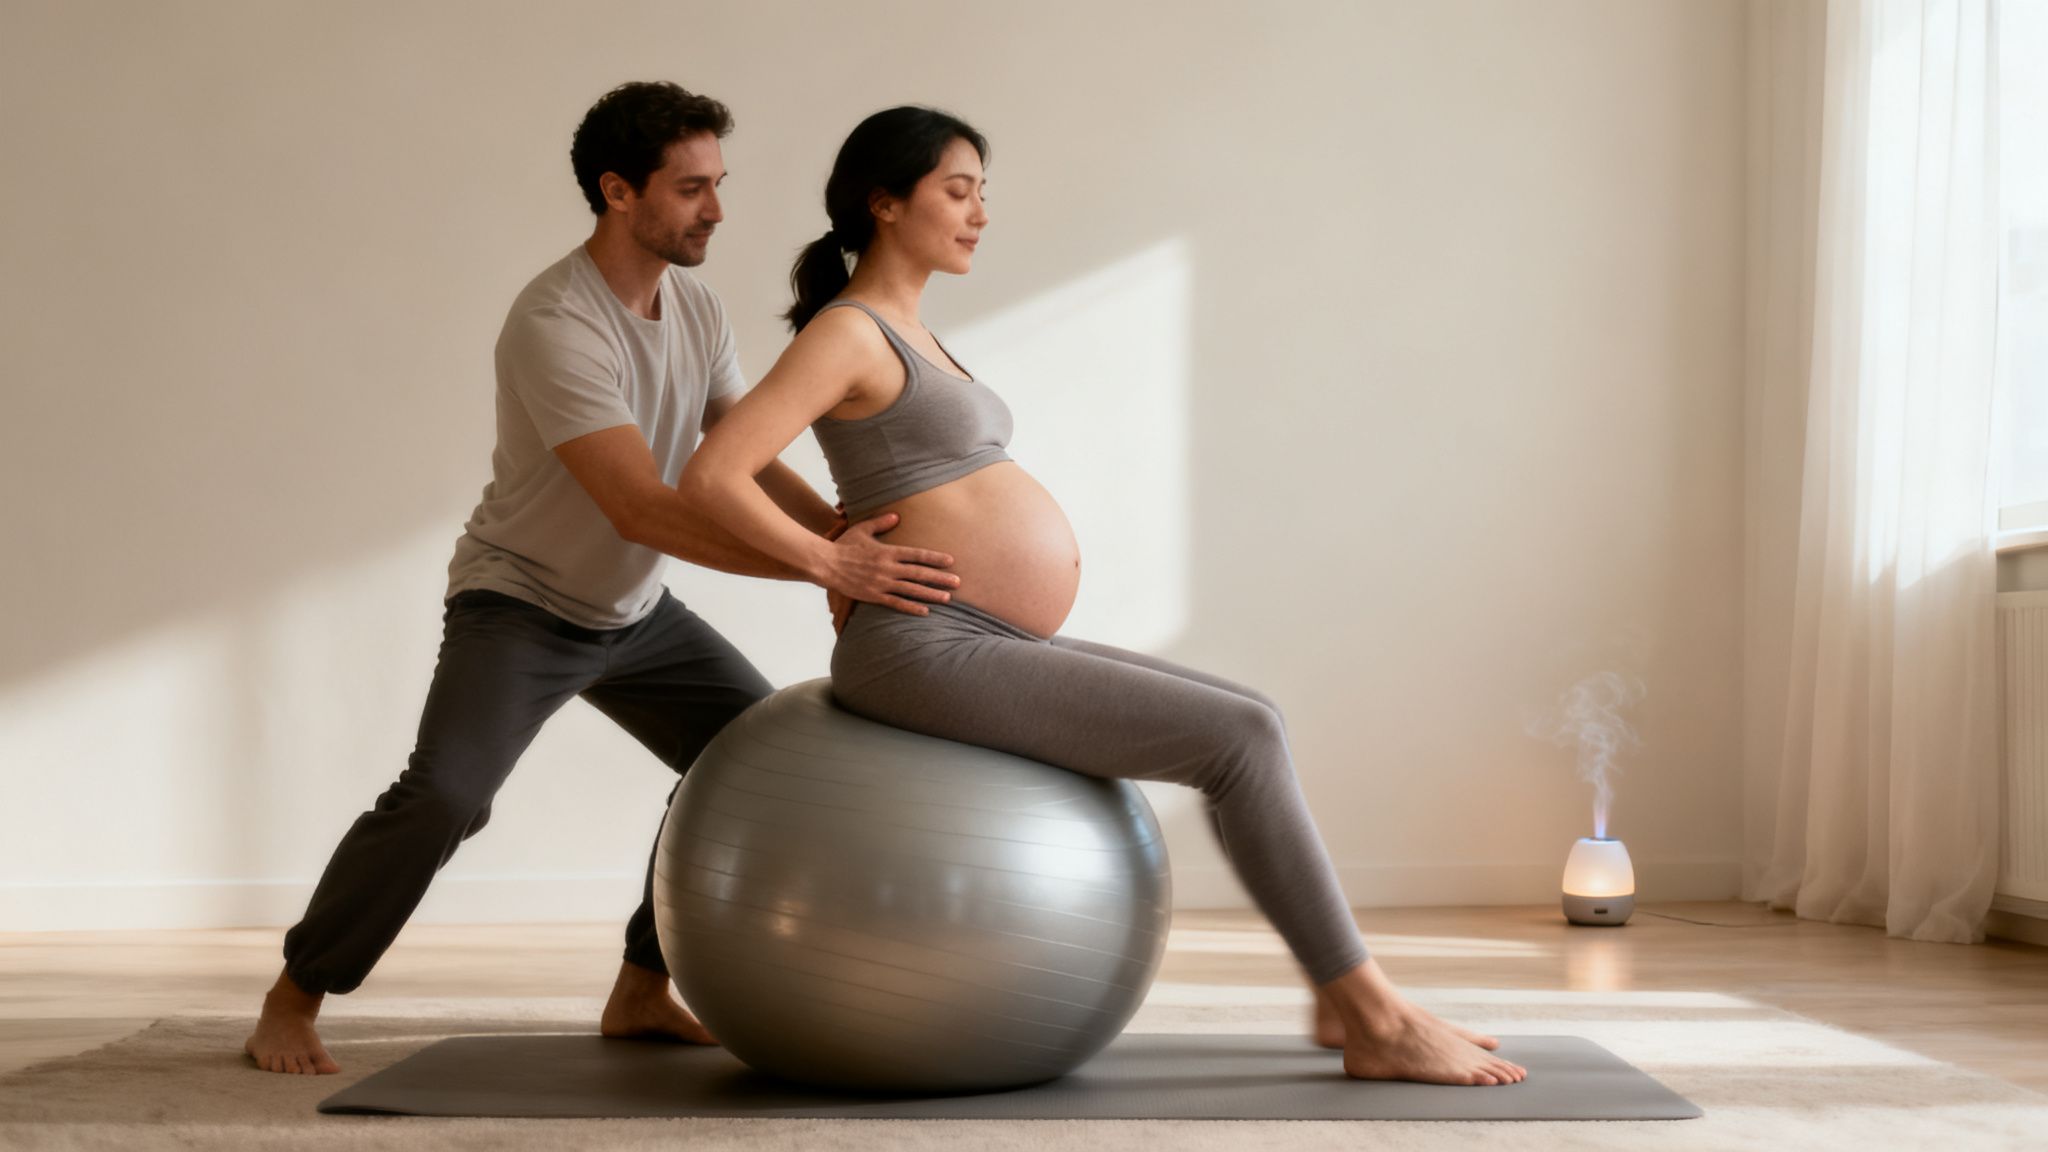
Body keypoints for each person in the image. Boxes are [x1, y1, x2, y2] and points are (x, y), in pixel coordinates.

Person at [677, 106, 1529, 1087]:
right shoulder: (849, 331)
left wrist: (839, 536)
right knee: (1237, 744)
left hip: (971, 634)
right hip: (924, 648)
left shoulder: (906, 329)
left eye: (981, 194)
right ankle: (1368, 1014)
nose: (979, 214)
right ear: (883, 202)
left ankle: (1350, 1002)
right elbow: (715, 474)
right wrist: (833, 564)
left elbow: (883, 480)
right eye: (957, 191)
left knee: (1252, 720)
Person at [242, 83, 959, 1076]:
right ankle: (295, 994)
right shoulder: (555, 322)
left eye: (718, 185)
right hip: (521, 603)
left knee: (755, 764)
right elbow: (643, 508)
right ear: (617, 192)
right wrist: (823, 566)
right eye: (690, 189)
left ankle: (640, 988)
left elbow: (735, 446)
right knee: (444, 796)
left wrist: (833, 527)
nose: (715, 209)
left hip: (633, 613)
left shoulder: (694, 305)